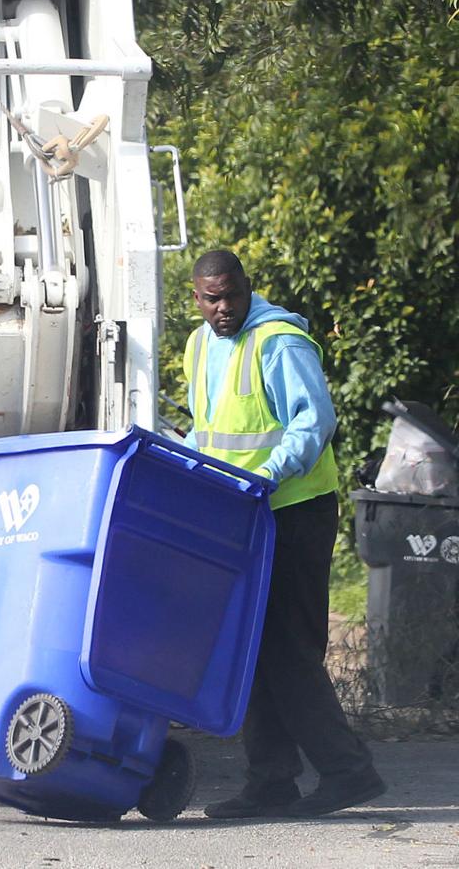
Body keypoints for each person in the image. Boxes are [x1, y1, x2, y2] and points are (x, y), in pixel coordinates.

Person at [183, 250, 385, 818]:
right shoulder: (200, 345)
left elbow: (313, 421)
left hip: (295, 511)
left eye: (233, 295)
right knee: (252, 649)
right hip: (241, 513)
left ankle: (350, 772)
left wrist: (267, 475)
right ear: (195, 299)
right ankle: (271, 782)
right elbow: (209, 430)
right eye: (212, 298)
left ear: (248, 288)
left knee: (288, 649)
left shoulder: (278, 340)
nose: (225, 308)